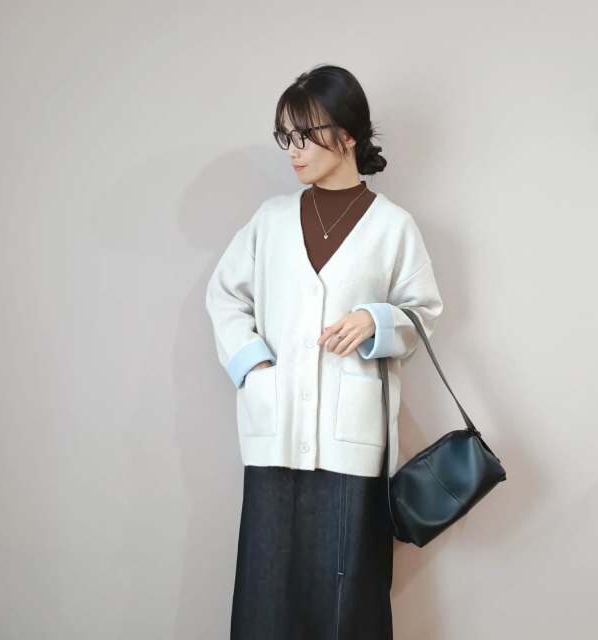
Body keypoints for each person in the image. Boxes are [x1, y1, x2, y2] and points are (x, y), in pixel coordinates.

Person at [205, 63, 444, 640]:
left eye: (306, 134)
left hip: (350, 441)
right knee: (267, 596)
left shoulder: (393, 227)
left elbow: (424, 313)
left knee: (347, 603)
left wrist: (375, 319)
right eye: (285, 135)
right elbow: (224, 295)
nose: (294, 149)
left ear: (348, 134)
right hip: (276, 430)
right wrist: (254, 368)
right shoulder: (270, 220)